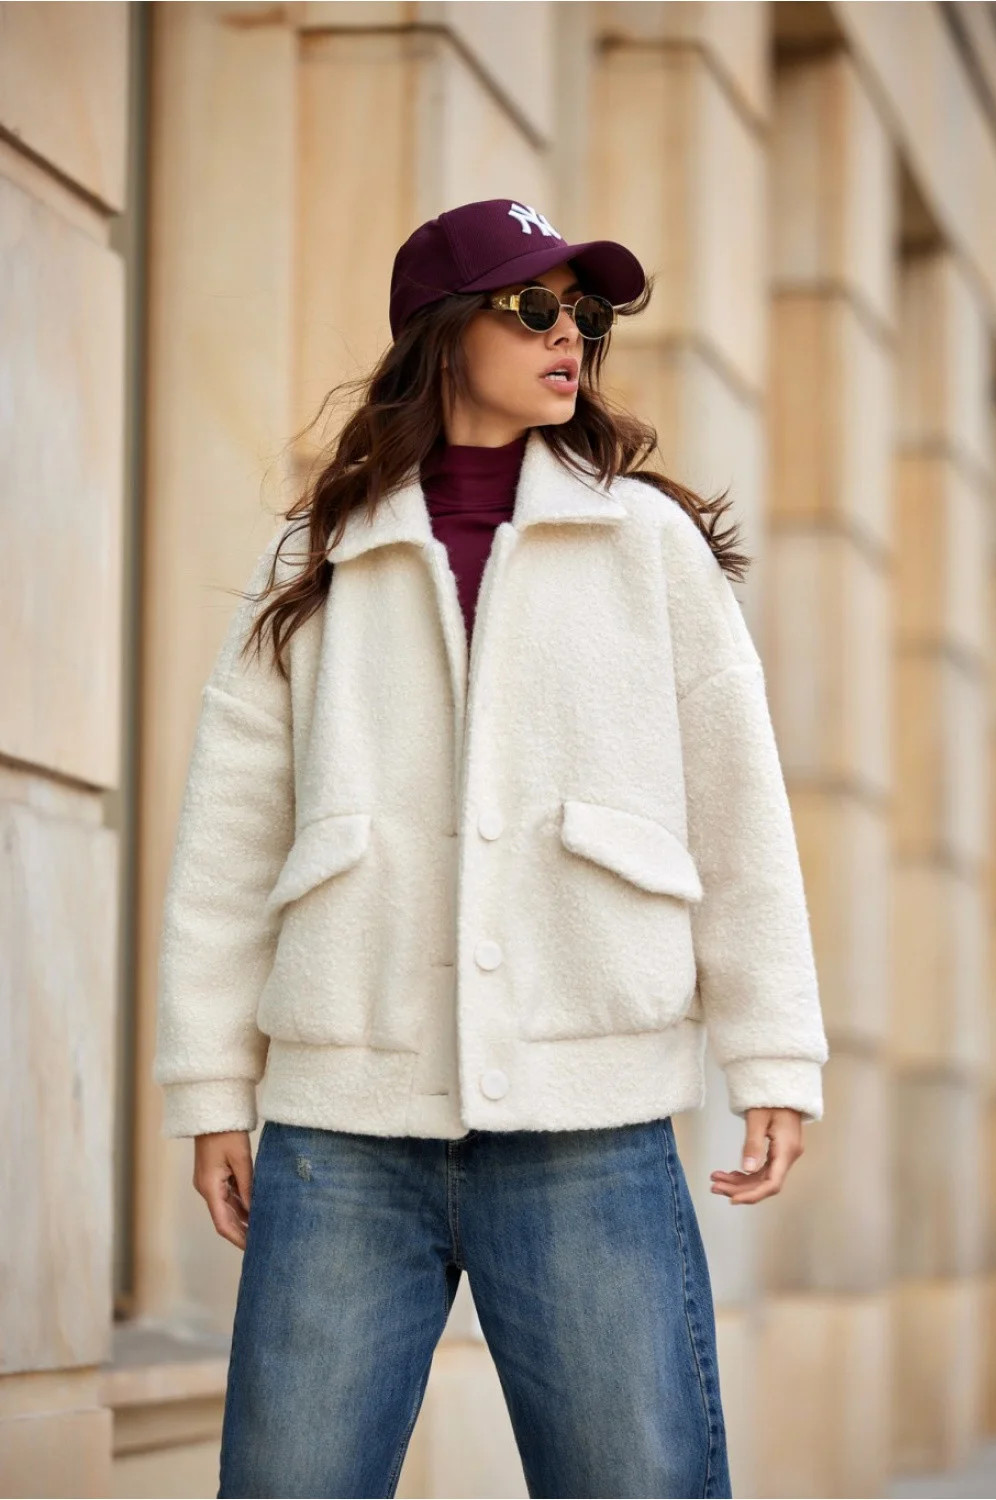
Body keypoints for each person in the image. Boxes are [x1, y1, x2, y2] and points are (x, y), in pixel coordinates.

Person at [154, 197, 829, 1499]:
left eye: (587, 315)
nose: (568, 335)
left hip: (590, 1123)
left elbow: (738, 809)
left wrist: (774, 1053)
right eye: (534, 309)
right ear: (443, 331)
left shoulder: (649, 546)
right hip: (344, 1125)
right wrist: (208, 1087)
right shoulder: (321, 551)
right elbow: (230, 838)